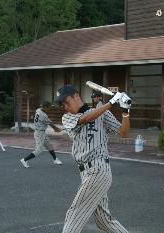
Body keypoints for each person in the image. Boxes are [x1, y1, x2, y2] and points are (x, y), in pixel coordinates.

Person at [58, 84, 131, 233]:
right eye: (62, 104)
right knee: (103, 220)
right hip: (86, 172)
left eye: (66, 101)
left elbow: (124, 133)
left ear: (77, 96)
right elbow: (86, 117)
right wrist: (110, 103)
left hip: (98, 169)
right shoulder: (67, 117)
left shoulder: (102, 112)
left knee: (75, 213)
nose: (65, 106)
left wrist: (125, 110)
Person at [20, 101, 63, 168]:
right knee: (39, 150)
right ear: (45, 107)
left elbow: (48, 121)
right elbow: (50, 124)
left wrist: (56, 128)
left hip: (42, 132)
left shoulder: (38, 110)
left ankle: (55, 159)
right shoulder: (43, 115)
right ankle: (24, 160)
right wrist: (56, 129)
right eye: (48, 108)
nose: (49, 109)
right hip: (39, 133)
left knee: (49, 145)